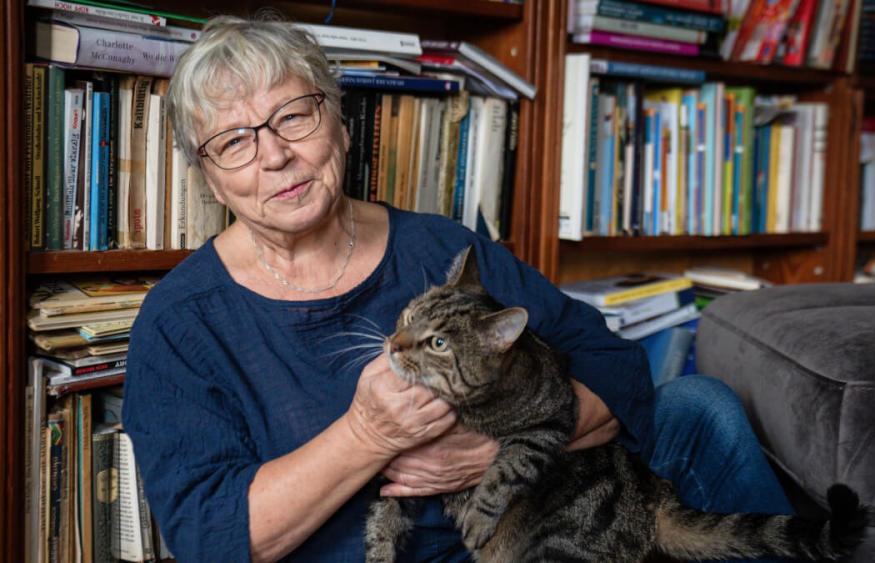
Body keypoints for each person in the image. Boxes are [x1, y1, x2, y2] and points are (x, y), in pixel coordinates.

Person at [122, 15, 793, 563]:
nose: (274, 154)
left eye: (294, 114)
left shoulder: (439, 249)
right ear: (211, 180)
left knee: (701, 406)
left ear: (340, 123)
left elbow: (612, 363)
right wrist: (366, 434)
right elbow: (211, 536)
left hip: (527, 522)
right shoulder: (181, 321)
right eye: (234, 140)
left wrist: (494, 452)